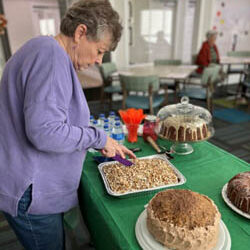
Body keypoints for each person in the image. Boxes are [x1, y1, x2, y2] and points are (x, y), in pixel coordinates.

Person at [0, 1, 136, 249]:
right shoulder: (50, 55)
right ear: (81, 33)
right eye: (99, 50)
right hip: (31, 192)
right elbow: (45, 132)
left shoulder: (43, 50)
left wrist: (98, 137)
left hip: (27, 183)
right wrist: (97, 138)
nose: (98, 60)